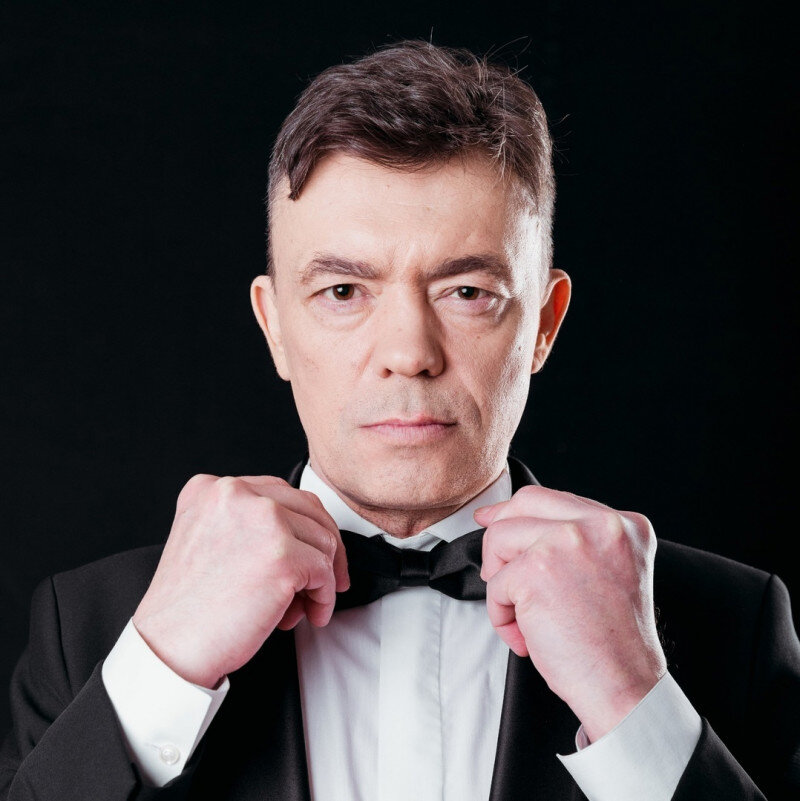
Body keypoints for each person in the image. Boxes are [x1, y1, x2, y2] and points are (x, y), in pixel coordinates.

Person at [1, 40, 798, 801]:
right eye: (344, 292)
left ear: (545, 324)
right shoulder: (95, 625)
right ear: (275, 326)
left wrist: (634, 700)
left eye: (467, 292)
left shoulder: (733, 626)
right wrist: (159, 671)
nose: (409, 353)